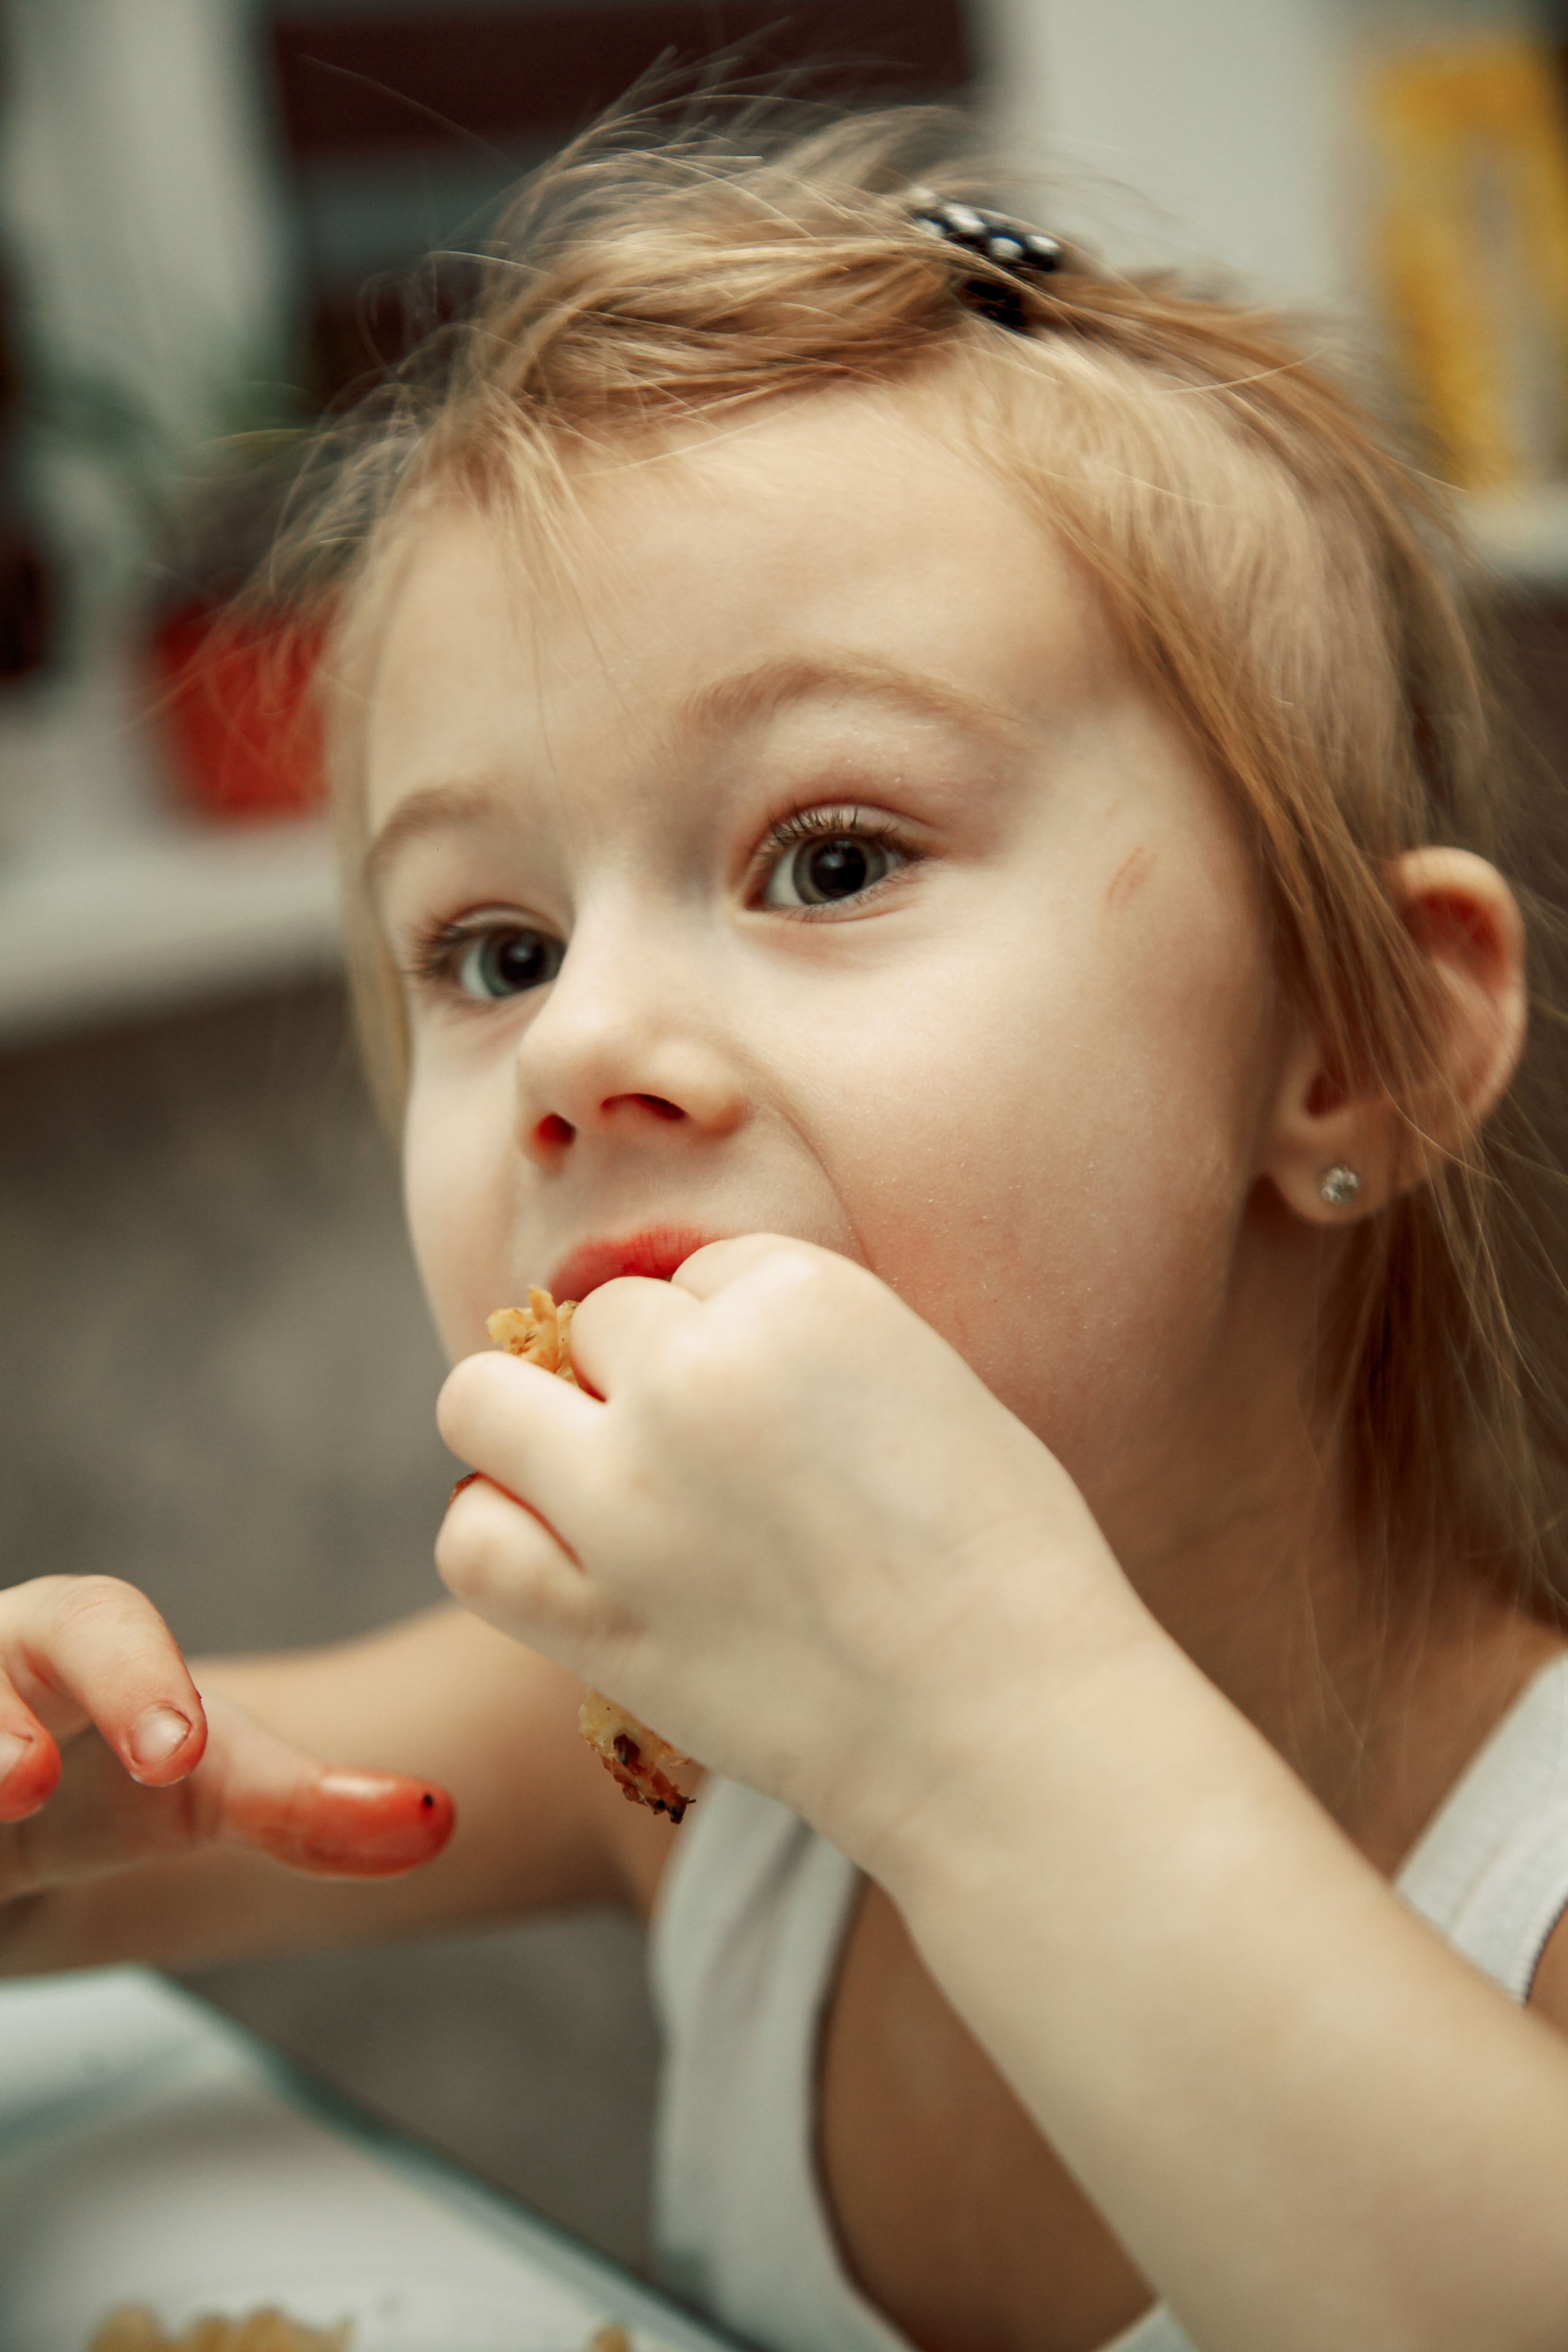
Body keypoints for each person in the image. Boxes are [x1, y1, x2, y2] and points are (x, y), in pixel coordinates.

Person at [5, 105, 1568, 2352]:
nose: (578, 1045)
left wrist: (975, 1712)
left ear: (1352, 1042)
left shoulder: (1532, 1893)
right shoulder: (677, 1758)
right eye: (494, 948)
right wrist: (65, 1785)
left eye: (829, 860)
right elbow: (80, 1902)